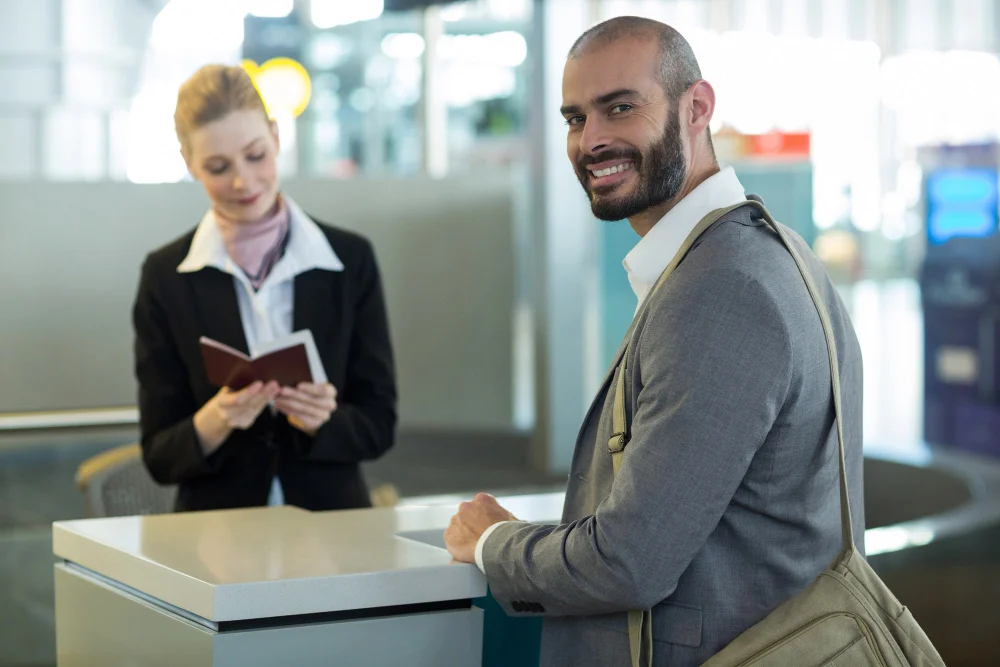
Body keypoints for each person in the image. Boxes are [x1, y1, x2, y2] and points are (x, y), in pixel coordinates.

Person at [444, 17, 865, 666]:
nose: (591, 140)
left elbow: (627, 564)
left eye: (620, 108)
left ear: (697, 108)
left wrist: (492, 541)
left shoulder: (722, 289)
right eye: (576, 118)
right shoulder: (772, 251)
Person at [133, 65, 396, 512]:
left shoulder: (349, 260)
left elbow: (379, 426)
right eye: (218, 167)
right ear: (189, 163)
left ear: (275, 136)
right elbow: (160, 456)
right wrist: (216, 420)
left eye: (255, 155)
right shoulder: (166, 276)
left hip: (332, 524)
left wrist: (322, 421)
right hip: (215, 529)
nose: (243, 181)